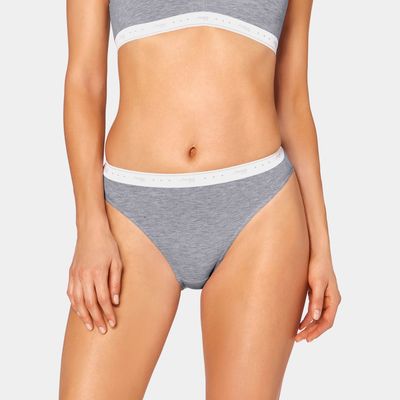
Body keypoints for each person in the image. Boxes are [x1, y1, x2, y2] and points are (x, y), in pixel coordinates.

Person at [59, 0, 342, 398]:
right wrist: (89, 226)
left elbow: (293, 99)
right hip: (133, 213)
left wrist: (322, 248)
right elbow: (84, 81)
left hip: (259, 210)